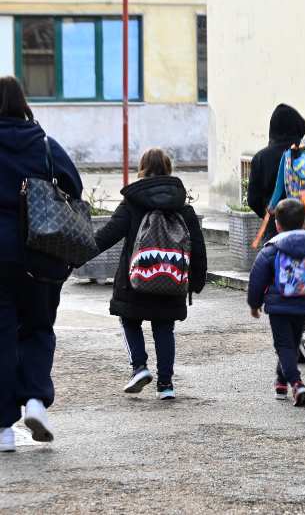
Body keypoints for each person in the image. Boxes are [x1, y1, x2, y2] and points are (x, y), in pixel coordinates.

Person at [0, 76, 83, 452]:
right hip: (39, 252)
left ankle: (3, 431)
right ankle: (35, 401)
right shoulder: (45, 144)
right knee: (38, 326)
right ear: (23, 103)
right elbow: (74, 187)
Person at [95, 149, 207, 400]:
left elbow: (107, 235)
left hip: (134, 282)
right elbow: (197, 247)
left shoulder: (132, 204)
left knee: (129, 320)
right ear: (168, 169)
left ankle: (139, 368)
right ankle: (165, 385)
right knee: (164, 329)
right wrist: (196, 281)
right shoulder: (183, 207)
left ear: (142, 169)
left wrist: (73, 255)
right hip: (171, 280)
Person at [247, 104, 305, 363]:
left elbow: (252, 198)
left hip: (275, 231)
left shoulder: (261, 158)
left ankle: (286, 341)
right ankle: (298, 335)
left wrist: (271, 219)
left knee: (279, 286)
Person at [247, 198, 305, 407]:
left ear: (277, 225)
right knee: (292, 344)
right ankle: (281, 382)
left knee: (284, 345)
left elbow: (257, 277)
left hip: (279, 306)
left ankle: (296, 383)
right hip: (304, 304)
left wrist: (254, 303)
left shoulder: (272, 249)